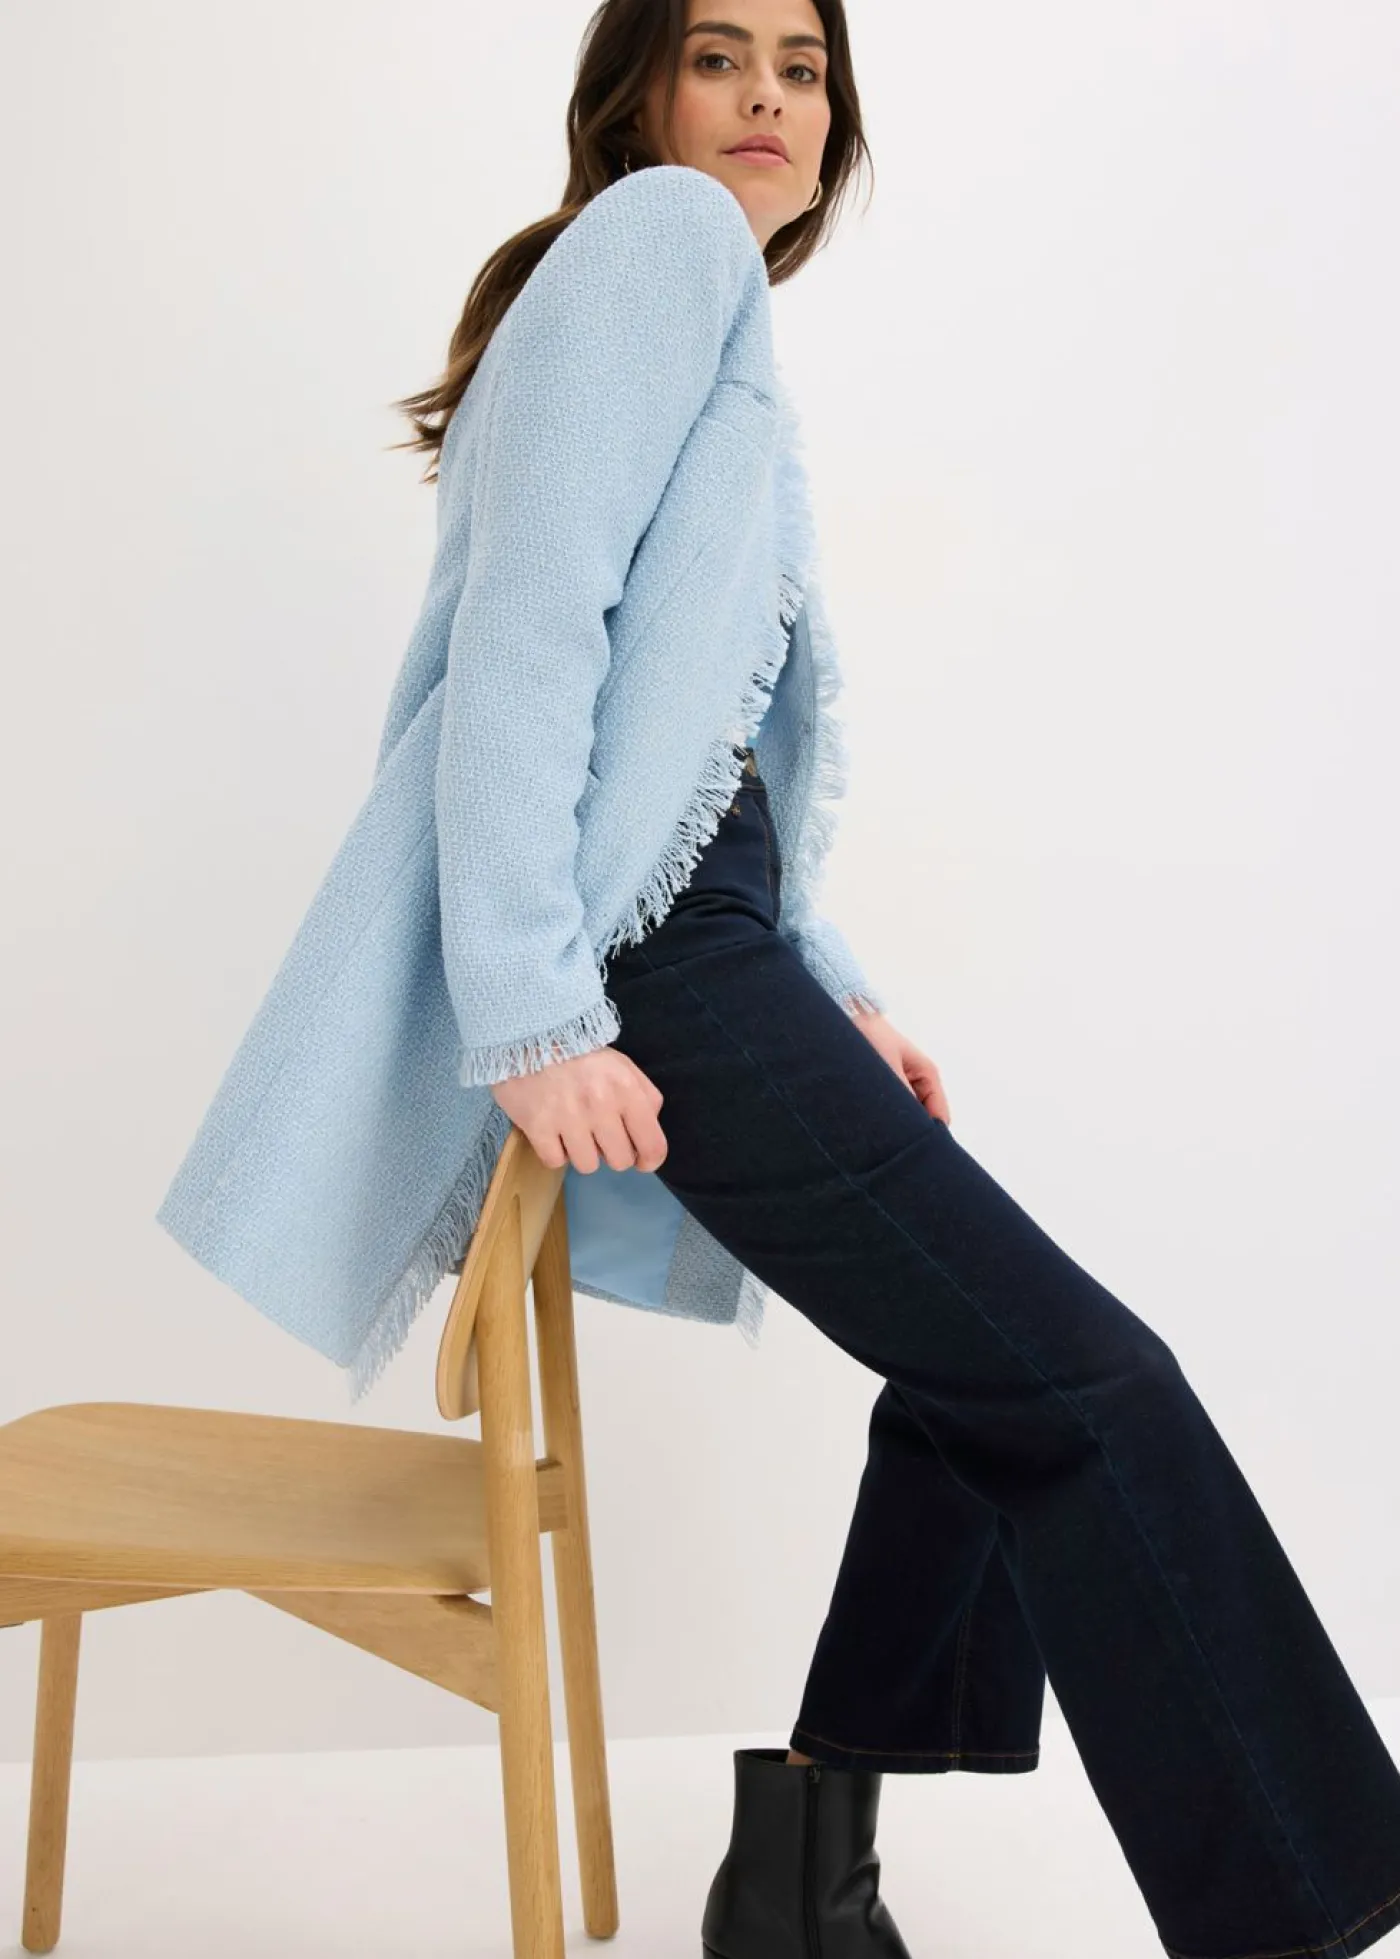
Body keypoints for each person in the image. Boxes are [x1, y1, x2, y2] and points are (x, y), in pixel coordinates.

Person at [393, 4, 1400, 1956]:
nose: (769, 97)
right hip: (655, 964)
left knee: (984, 1380)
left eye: (804, 65)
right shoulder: (655, 245)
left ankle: (799, 1881)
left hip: (704, 938)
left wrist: (826, 974)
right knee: (1094, 1388)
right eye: (720, 55)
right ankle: (1308, 1904)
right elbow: (525, 642)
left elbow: (692, 736)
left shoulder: (681, 298)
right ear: (637, 93)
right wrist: (528, 1008)